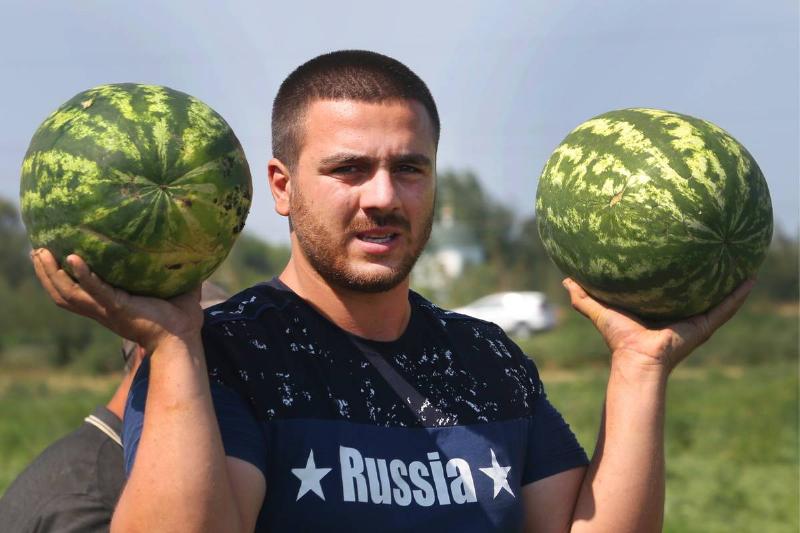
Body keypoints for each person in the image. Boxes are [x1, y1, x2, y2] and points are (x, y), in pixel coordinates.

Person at [30, 50, 753, 533]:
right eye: (349, 169)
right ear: (281, 187)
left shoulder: (487, 359)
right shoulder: (227, 354)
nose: (384, 196)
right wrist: (173, 342)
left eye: (410, 168)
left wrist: (638, 366)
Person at [0, 283, 228, 532]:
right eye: (206, 351)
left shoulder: (100, 463)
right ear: (150, 348)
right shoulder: (90, 497)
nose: (235, 373)